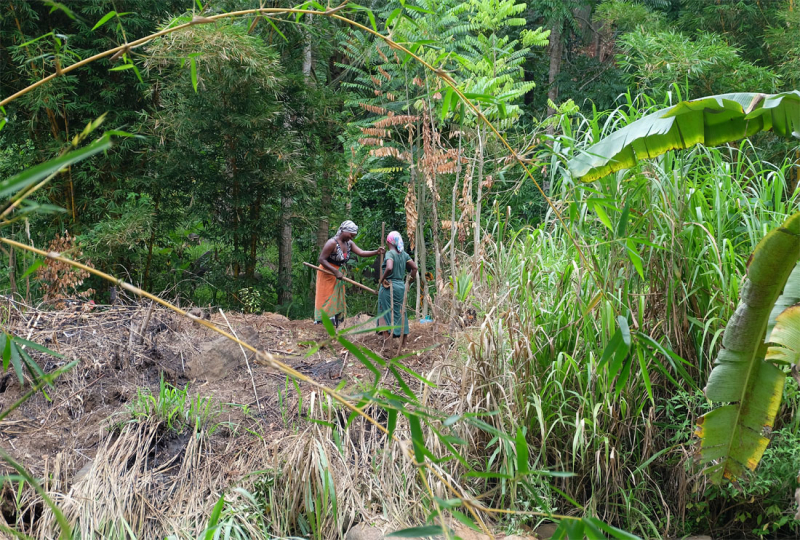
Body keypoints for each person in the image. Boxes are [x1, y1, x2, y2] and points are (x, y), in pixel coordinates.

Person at [315, 220, 384, 327]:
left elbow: (361, 253)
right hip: (327, 273)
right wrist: (335, 271)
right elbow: (322, 259)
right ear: (344, 231)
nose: (351, 237)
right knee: (327, 296)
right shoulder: (332, 243)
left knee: (337, 296)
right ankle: (323, 321)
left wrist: (376, 252)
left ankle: (337, 321)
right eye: (351, 235)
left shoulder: (349, 243)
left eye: (353, 236)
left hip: (338, 274)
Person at [377, 231, 418, 349]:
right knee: (401, 312)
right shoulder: (404, 254)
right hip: (400, 287)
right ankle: (403, 343)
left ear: (388, 241)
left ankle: (388, 344)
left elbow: (389, 267)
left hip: (388, 287)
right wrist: (409, 281)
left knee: (385, 312)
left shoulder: (390, 254)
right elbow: (414, 268)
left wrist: (382, 279)